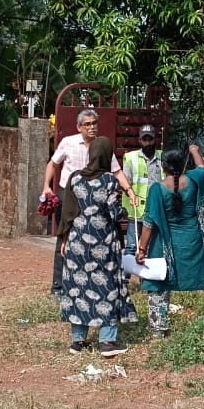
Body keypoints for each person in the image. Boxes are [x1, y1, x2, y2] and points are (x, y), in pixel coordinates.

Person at [134, 142, 204, 337]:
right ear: (182, 164)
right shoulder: (194, 180)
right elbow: (201, 168)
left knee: (158, 283)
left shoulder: (157, 189)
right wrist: (195, 151)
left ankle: (159, 329)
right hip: (193, 242)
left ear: (163, 166)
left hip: (166, 246)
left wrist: (142, 249)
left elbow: (149, 223)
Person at [59, 136, 138, 357]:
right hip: (103, 244)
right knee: (107, 288)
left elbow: (67, 213)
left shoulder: (75, 178)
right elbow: (114, 213)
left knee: (78, 288)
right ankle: (107, 342)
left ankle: (78, 342)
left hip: (77, 243)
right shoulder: (109, 181)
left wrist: (65, 240)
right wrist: (125, 210)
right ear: (106, 155)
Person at [42, 108, 135, 294]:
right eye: (87, 124)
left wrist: (129, 190)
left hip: (93, 197)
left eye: (94, 124)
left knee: (91, 238)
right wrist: (46, 186)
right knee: (65, 236)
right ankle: (58, 286)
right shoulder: (68, 143)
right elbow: (53, 163)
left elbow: (116, 171)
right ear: (79, 127)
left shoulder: (101, 146)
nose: (92, 127)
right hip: (69, 194)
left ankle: (87, 280)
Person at [122, 124, 162, 254]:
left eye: (150, 139)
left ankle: (147, 268)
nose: (148, 143)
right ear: (140, 140)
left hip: (156, 209)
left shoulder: (163, 157)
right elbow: (125, 182)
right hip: (137, 210)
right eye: (145, 139)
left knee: (152, 248)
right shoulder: (130, 158)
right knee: (131, 247)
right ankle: (128, 268)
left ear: (155, 139)